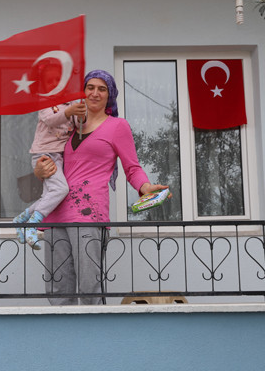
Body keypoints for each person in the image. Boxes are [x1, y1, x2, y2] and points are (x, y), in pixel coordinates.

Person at [34, 69, 169, 305]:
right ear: (82, 92)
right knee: (57, 290)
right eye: (90, 87)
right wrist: (38, 171)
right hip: (55, 215)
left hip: (88, 215)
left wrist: (145, 187)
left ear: (110, 95)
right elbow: (49, 162)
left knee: (90, 288)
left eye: (102, 89)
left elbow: (132, 168)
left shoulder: (117, 126)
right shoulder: (69, 126)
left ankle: (93, 330)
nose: (95, 93)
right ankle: (63, 330)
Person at [13, 62, 87, 250]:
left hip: (58, 154)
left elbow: (78, 125)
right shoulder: (45, 101)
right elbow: (50, 119)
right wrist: (69, 112)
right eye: (49, 81)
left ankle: (21, 219)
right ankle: (33, 224)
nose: (54, 84)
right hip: (44, 154)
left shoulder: (71, 102)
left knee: (50, 195)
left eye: (58, 80)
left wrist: (81, 114)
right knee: (61, 190)